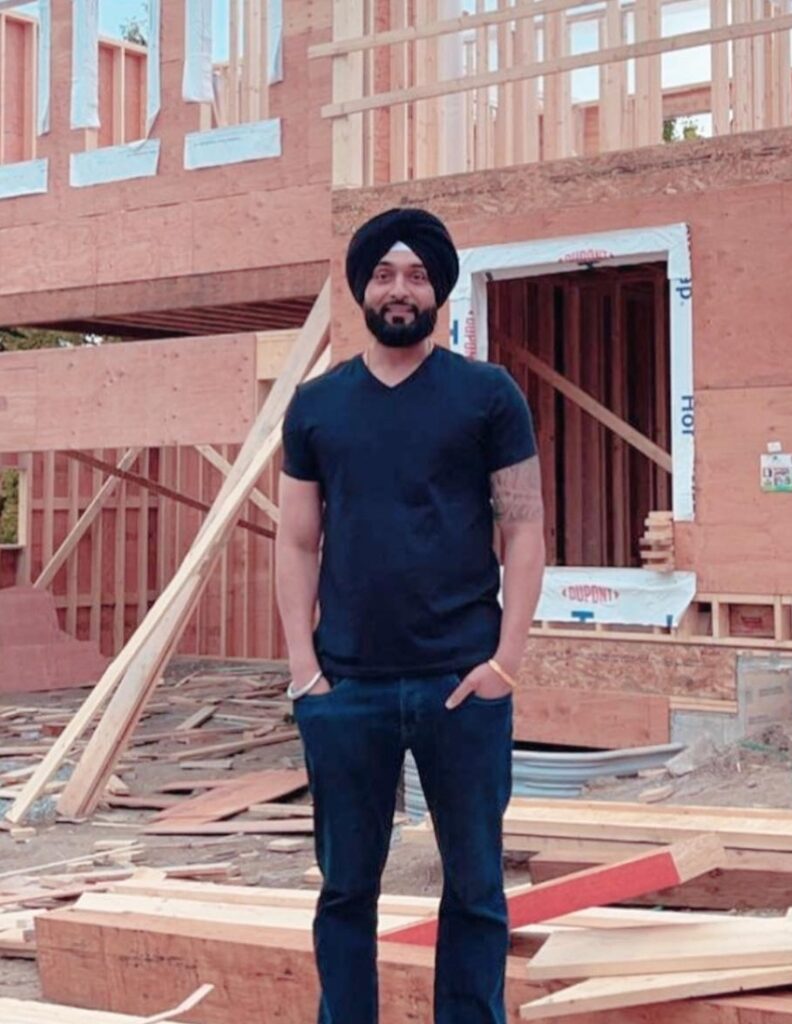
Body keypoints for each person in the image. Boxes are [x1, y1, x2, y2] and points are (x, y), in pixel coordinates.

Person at [275, 207, 545, 1024]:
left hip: (461, 683)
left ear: (438, 291)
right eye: (386, 274)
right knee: (345, 890)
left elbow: (524, 528)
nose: (401, 289)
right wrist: (305, 673)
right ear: (363, 289)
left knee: (475, 888)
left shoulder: (487, 395)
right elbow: (297, 542)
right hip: (346, 686)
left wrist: (504, 664)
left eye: (418, 275)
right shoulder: (316, 406)